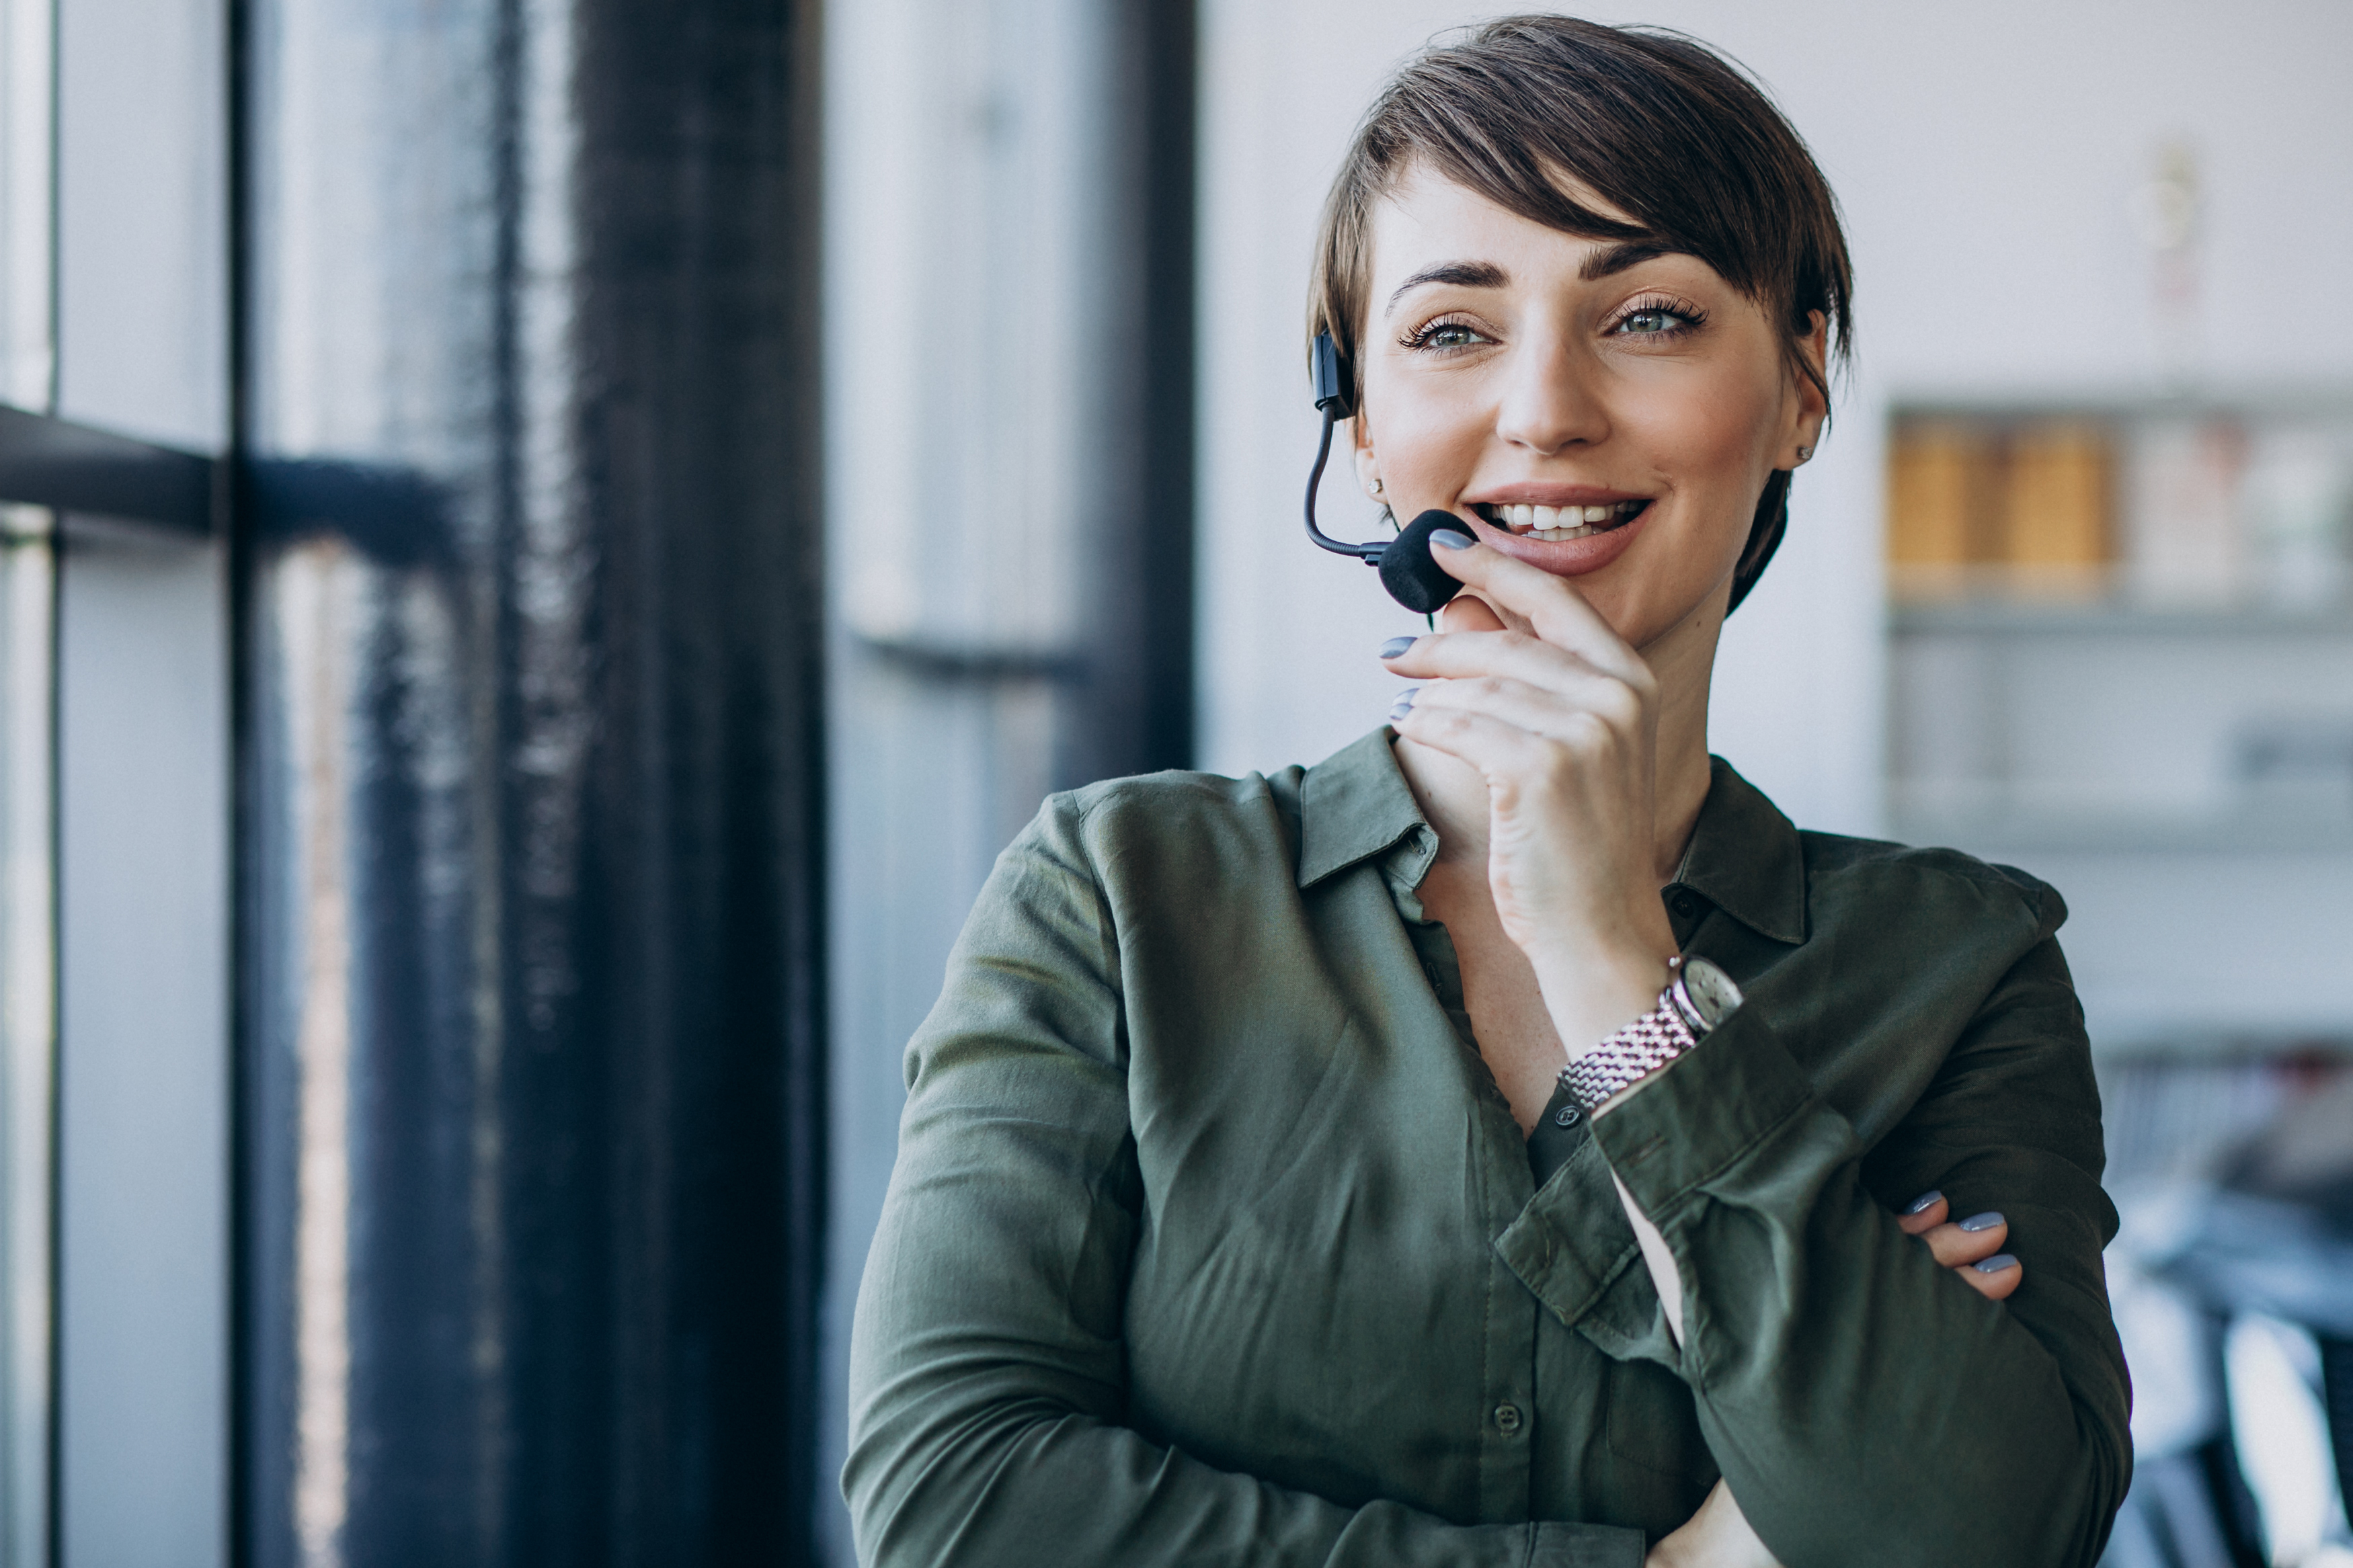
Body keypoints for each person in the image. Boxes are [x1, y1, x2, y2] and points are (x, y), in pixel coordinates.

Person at [844, 17, 2130, 1567]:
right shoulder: (1117, 896)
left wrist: (1616, 968)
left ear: (1799, 389)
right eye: (1452, 332)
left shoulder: (1956, 961)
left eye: (1647, 314)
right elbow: (957, 1510)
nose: (1543, 411)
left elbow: (1989, 1539)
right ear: (1362, 424)